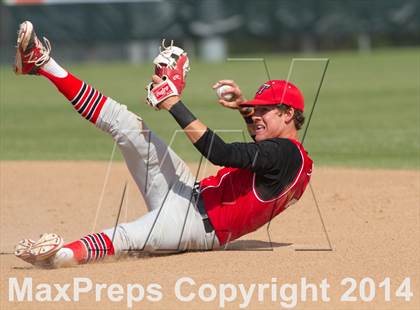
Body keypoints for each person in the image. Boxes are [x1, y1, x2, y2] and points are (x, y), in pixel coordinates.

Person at [14, 21, 313, 268]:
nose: (257, 114)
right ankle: (41, 62)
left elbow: (221, 153)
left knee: (124, 237)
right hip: (188, 192)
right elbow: (261, 154)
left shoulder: (283, 153)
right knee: (126, 124)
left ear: (288, 114)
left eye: (264, 110)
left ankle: (56, 256)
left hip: (194, 226)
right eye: (255, 109)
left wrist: (174, 104)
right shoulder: (296, 159)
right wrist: (244, 110)